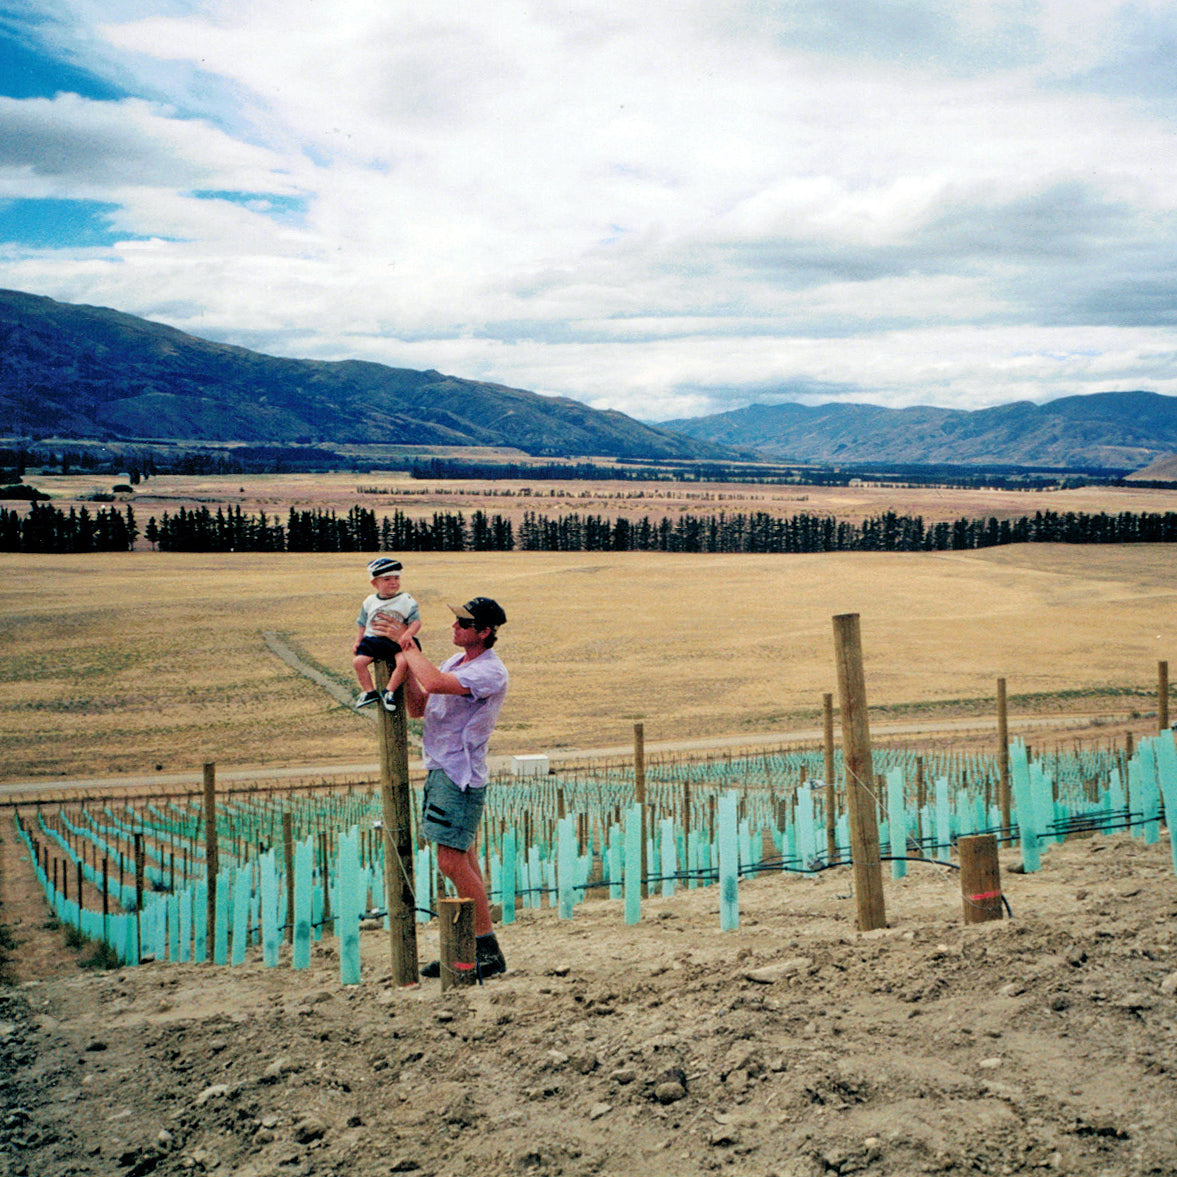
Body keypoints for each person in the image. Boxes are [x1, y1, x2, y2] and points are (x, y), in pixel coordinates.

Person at [391, 595, 510, 980]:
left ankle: (485, 951)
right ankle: (471, 950)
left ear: (485, 632)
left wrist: (408, 646)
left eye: (464, 623)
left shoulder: (490, 671)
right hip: (442, 770)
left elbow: (434, 682)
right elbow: (418, 706)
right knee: (462, 860)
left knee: (451, 862)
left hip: (459, 776)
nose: (455, 627)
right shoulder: (453, 663)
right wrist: (405, 666)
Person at [352, 556, 421, 712]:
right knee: (358, 662)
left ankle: (388, 691)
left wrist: (408, 634)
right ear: (374, 583)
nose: (393, 582)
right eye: (387, 579)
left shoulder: (406, 600)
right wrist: (358, 640)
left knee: (403, 662)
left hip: (397, 641)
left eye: (396, 578)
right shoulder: (369, 601)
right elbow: (362, 623)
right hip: (373, 641)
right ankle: (370, 692)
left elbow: (415, 622)